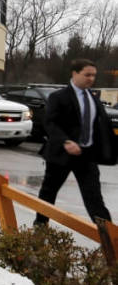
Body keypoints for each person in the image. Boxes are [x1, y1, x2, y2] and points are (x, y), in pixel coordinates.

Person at [34, 59, 118, 226]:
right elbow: (50, 123)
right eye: (87, 75)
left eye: (93, 75)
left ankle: (111, 241)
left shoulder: (94, 99)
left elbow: (102, 127)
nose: (91, 79)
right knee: (48, 194)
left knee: (94, 199)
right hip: (61, 155)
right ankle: (40, 230)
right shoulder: (58, 97)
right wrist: (65, 141)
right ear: (74, 74)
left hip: (86, 156)